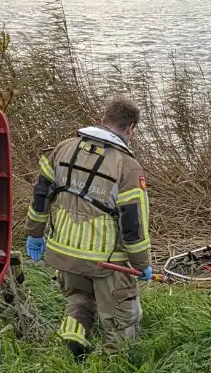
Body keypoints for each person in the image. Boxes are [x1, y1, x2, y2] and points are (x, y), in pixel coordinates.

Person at [25, 97, 153, 359]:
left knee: (78, 299)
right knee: (120, 317)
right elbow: (133, 223)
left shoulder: (63, 149)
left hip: (65, 251)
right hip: (107, 261)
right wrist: (141, 263)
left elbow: (41, 195)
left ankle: (74, 343)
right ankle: (114, 369)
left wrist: (34, 234)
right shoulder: (127, 166)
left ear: (102, 119)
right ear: (130, 129)